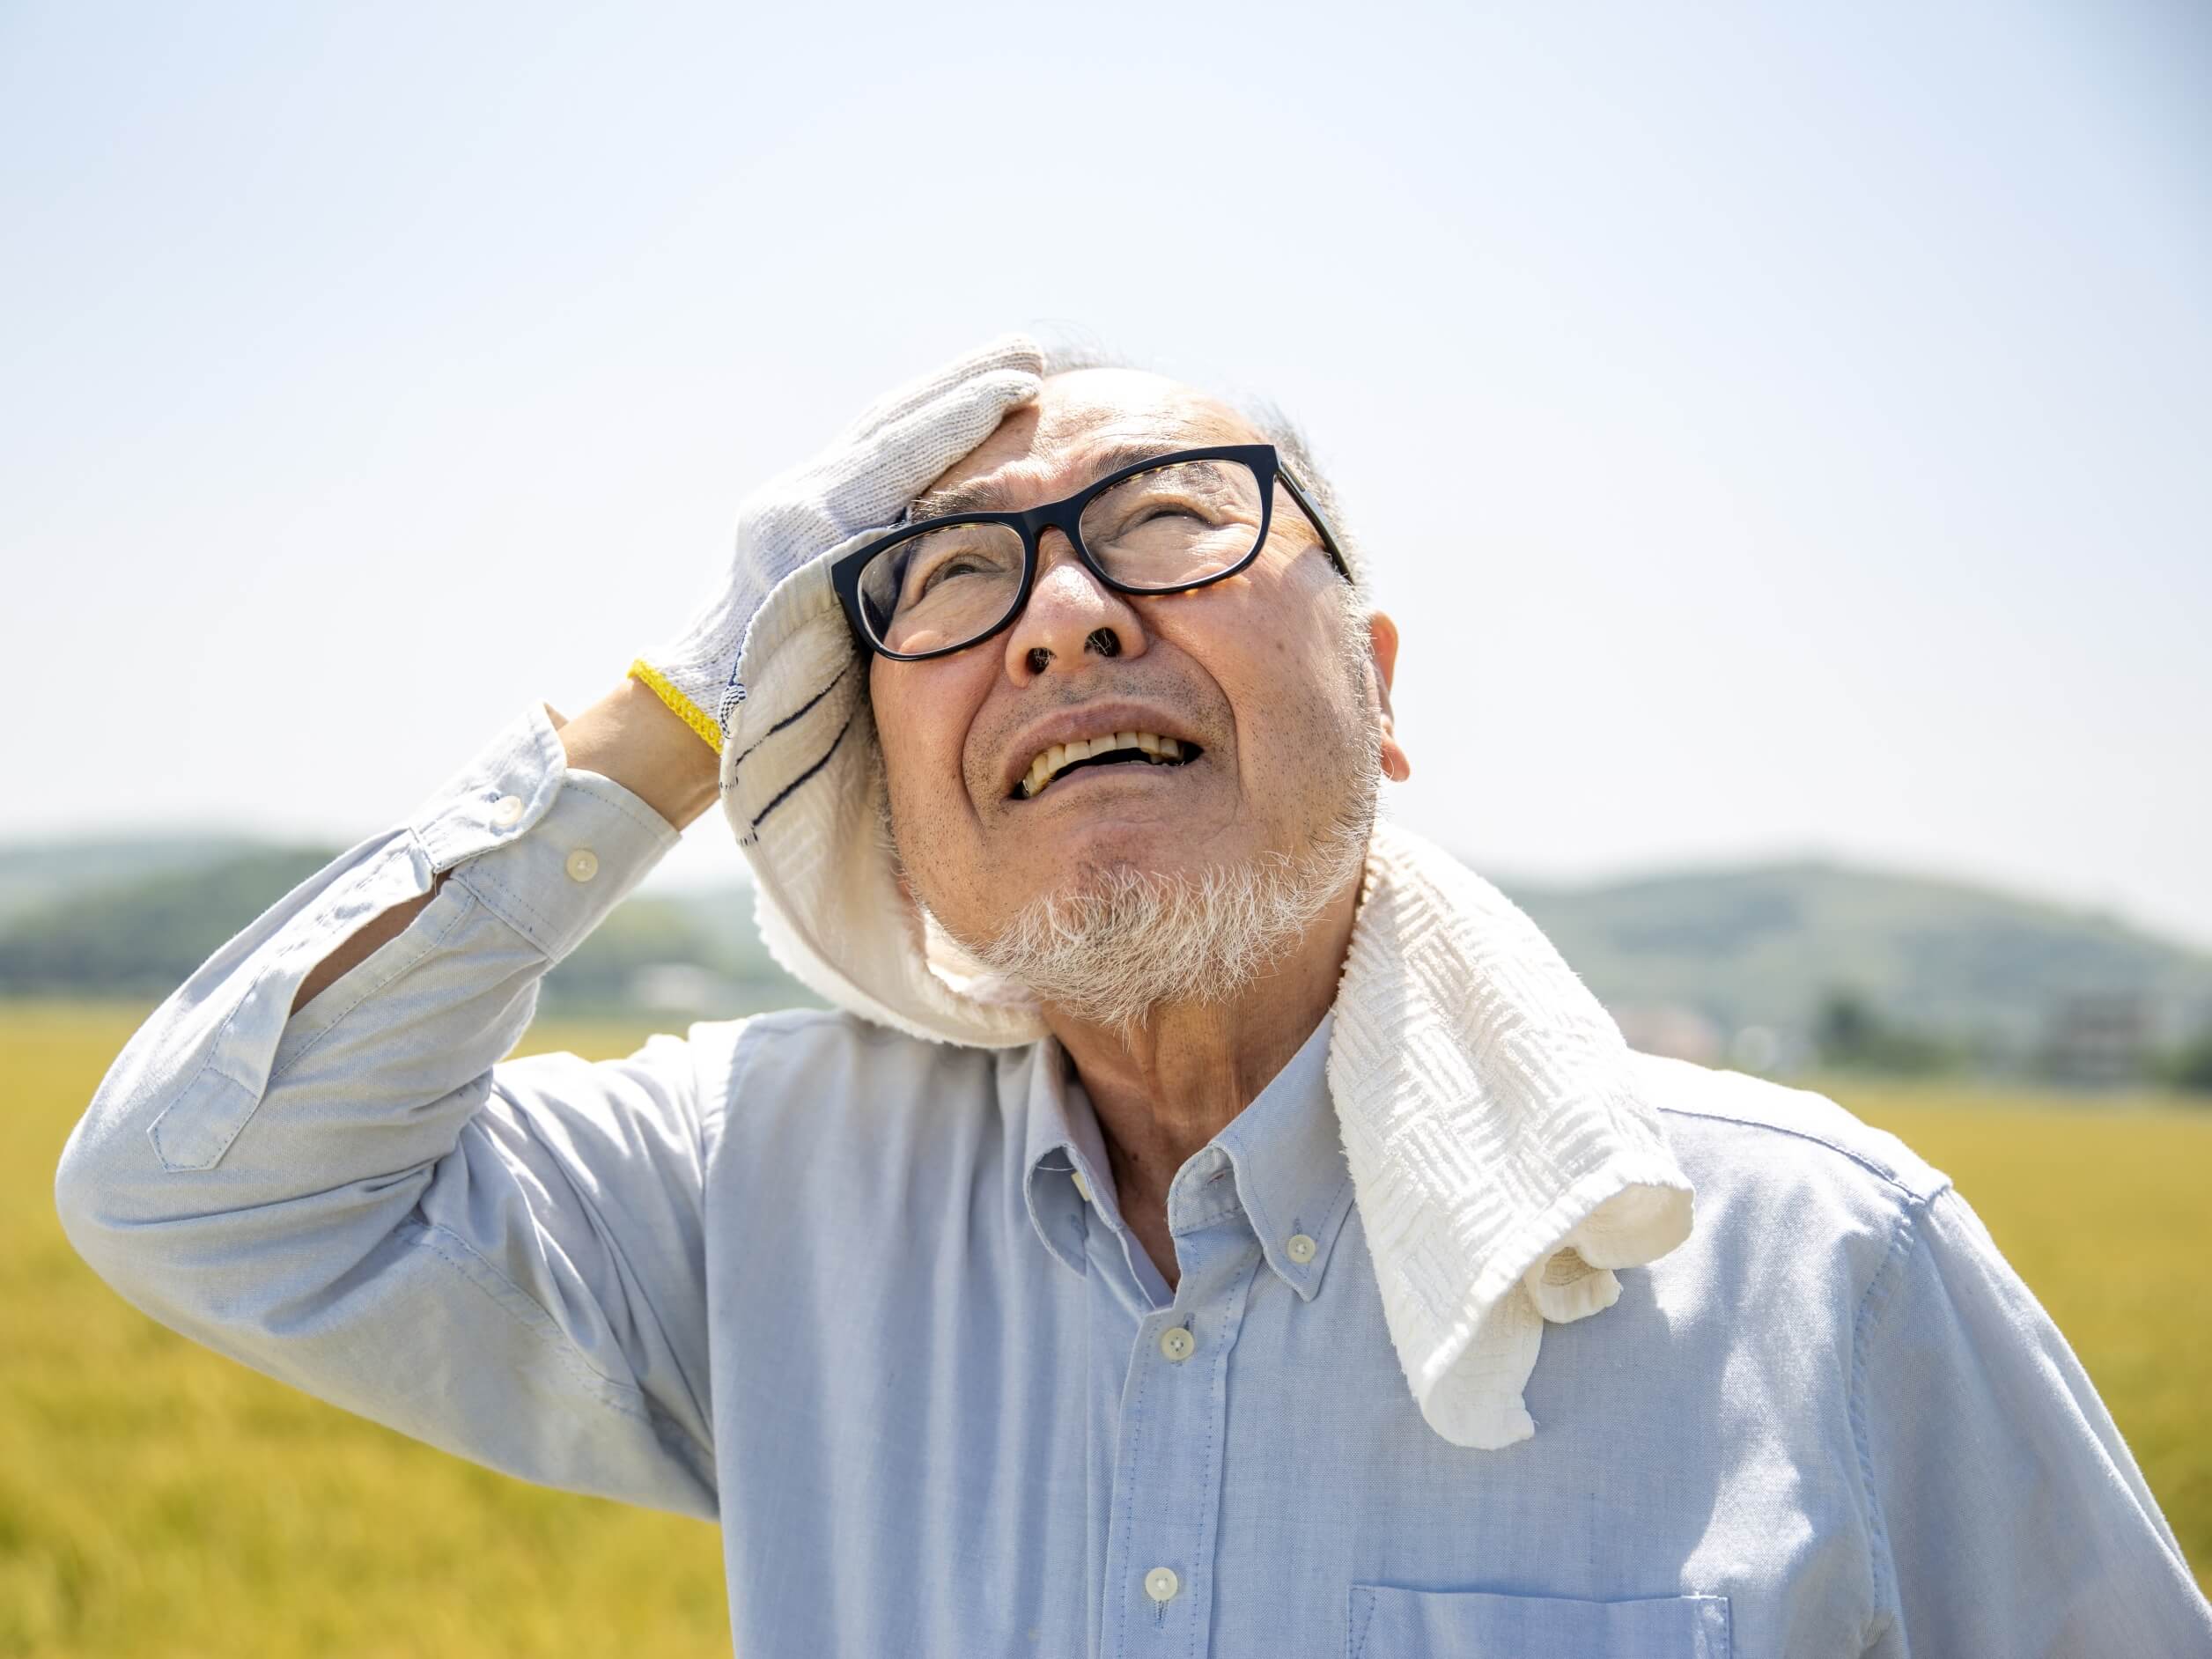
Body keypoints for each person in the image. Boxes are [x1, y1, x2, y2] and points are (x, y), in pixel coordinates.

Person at [56, 336, 2211, 1657]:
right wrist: (666, 718)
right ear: (880, 793)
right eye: (952, 580)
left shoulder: (1813, 1267)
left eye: (1176, 523)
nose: (1069, 617)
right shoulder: (755, 1189)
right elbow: (203, 1189)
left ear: (1371, 695)